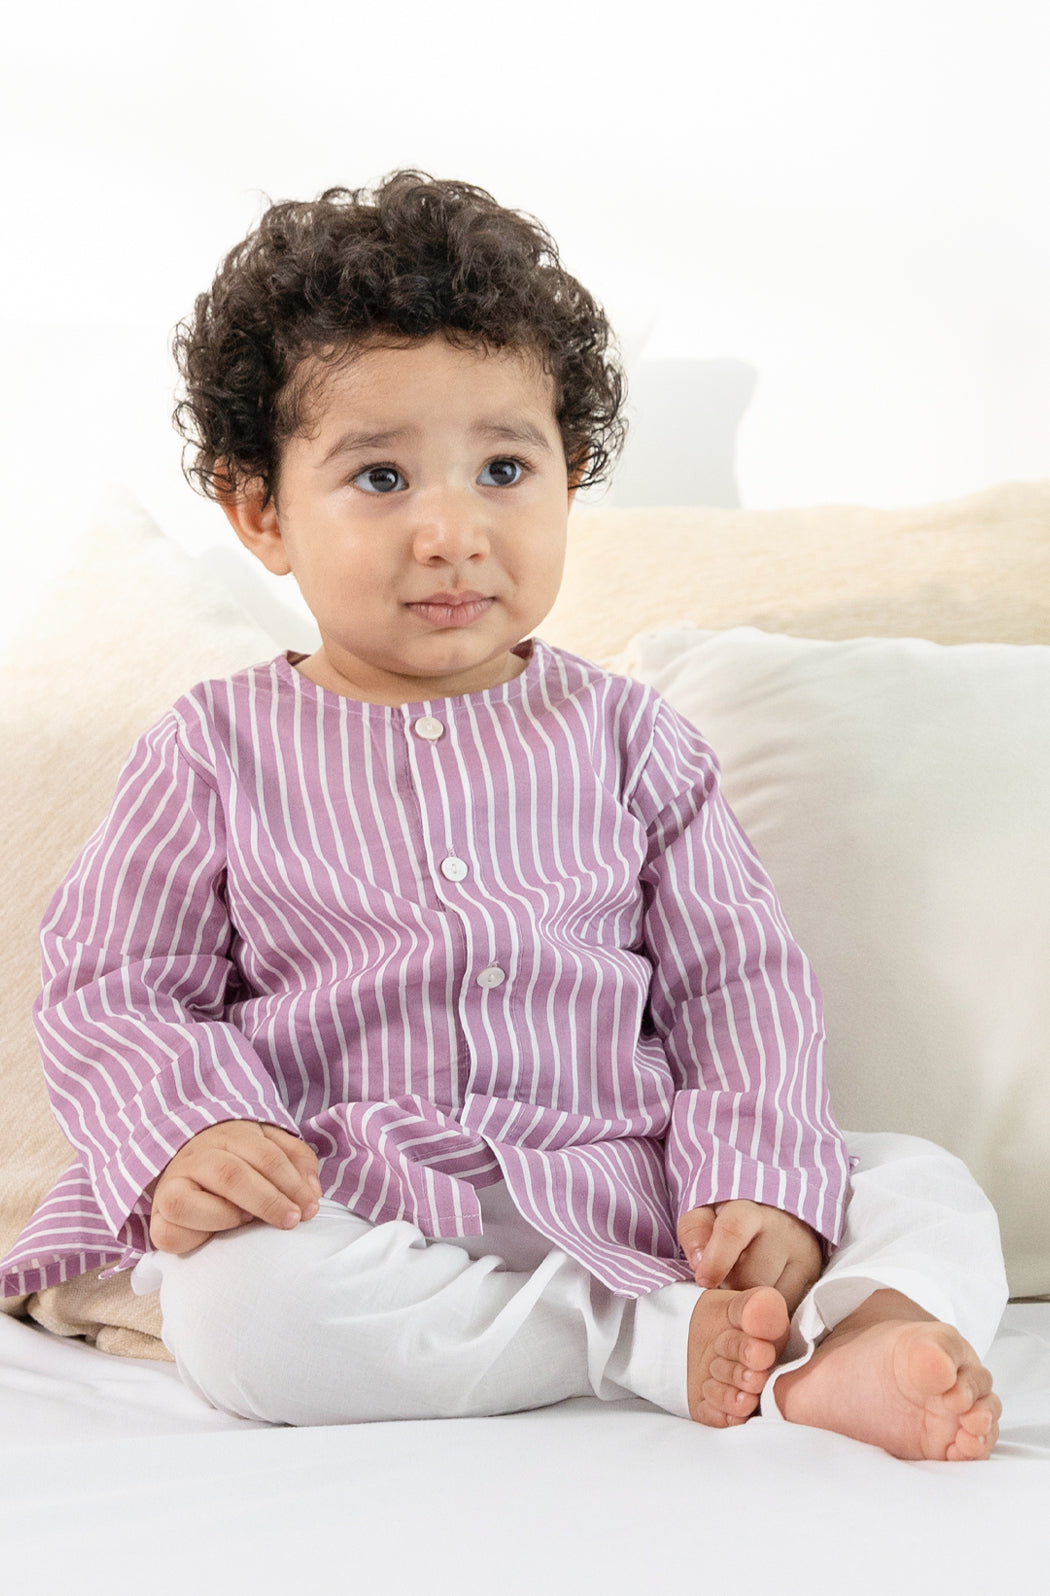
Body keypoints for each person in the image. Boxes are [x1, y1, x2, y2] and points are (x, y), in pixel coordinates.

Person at [0, 173, 1006, 1458]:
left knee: (920, 1179)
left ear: (570, 480)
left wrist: (758, 1177)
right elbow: (119, 982)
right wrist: (200, 1132)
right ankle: (642, 1343)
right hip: (359, 1190)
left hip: (628, 1175)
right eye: (380, 476)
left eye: (504, 469)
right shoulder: (213, 749)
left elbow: (736, 982)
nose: (451, 531)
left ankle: (863, 1338)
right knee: (240, 1310)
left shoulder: (633, 738)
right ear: (260, 512)